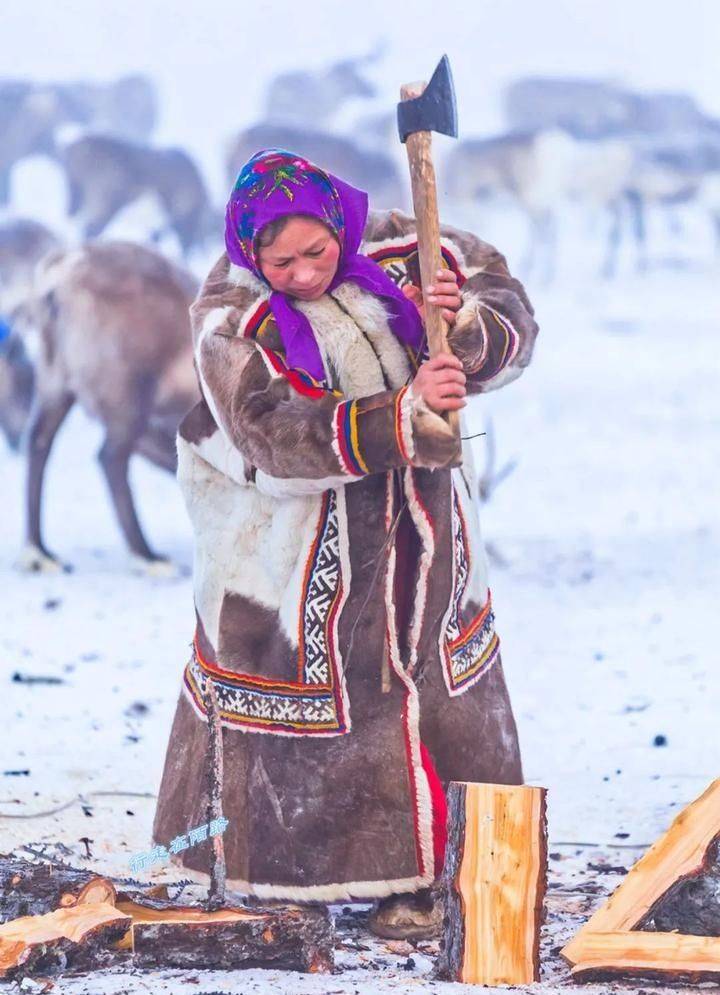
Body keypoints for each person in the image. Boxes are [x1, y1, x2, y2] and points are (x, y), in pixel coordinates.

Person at [152, 148, 539, 939]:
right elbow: (269, 430)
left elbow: (508, 306)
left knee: (432, 678)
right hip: (291, 547)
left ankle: (440, 874)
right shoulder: (230, 316)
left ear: (339, 227)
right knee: (316, 695)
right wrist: (405, 414)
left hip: (422, 533)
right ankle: (284, 876)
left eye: (318, 253)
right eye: (280, 260)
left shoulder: (410, 248)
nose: (300, 273)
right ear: (249, 252)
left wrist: (460, 320)